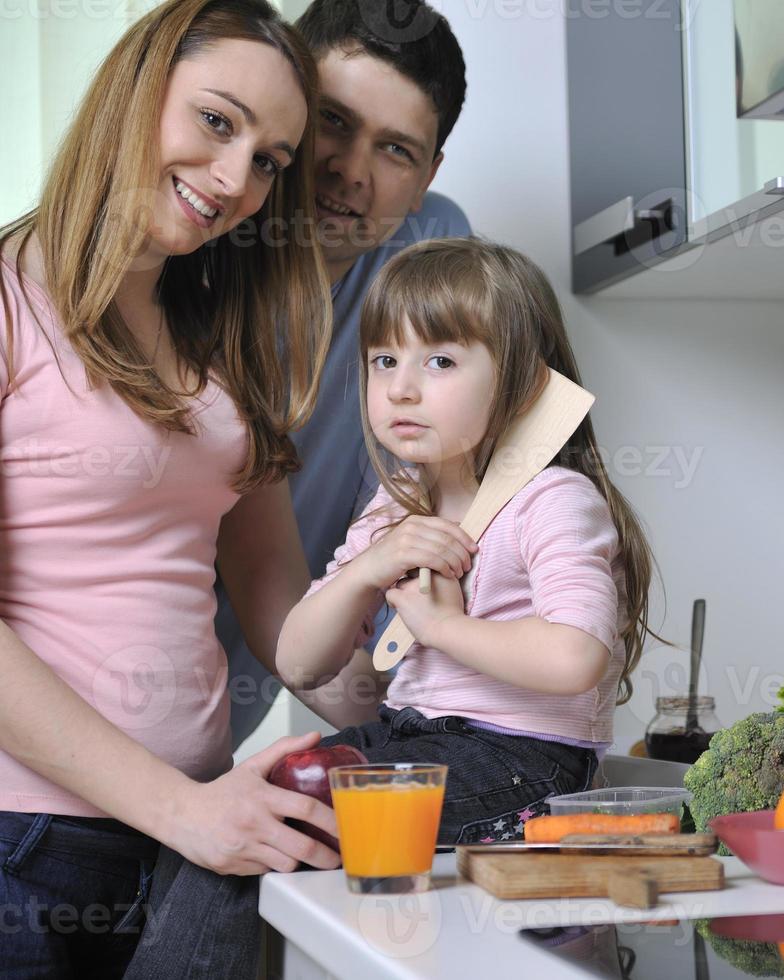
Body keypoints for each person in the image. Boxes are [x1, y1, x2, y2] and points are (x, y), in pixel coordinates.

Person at [129, 237, 663, 976]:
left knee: (264, 832)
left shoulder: (552, 500)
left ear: (523, 383)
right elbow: (297, 658)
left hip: (527, 769)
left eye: (440, 361)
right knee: (230, 812)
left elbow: (575, 657)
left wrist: (444, 626)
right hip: (411, 742)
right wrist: (366, 572)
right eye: (385, 360)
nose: (402, 388)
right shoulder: (397, 508)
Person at [0, 0, 339, 975]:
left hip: (189, 849)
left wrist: (430, 662)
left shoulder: (222, 344)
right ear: (137, 90)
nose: (236, 181)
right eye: (217, 122)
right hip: (26, 846)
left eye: (270, 160)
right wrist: (184, 808)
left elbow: (283, 608)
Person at [216, 0, 472, 747]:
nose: (349, 172)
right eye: (332, 120)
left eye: (396, 150)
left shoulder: (426, 250)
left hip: (207, 741)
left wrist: (438, 746)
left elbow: (411, 510)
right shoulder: (189, 264)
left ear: (427, 174)